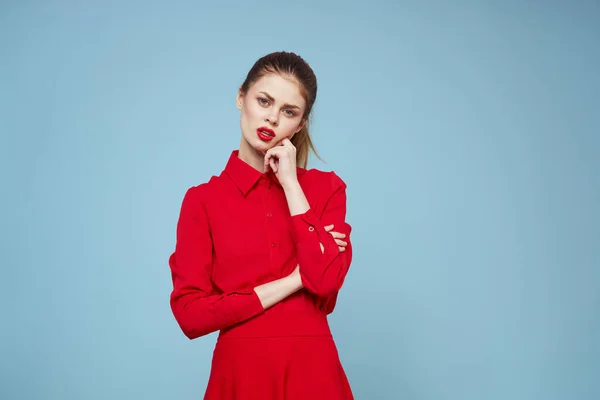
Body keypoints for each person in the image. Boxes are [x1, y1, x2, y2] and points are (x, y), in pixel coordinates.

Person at [168, 51, 354, 399]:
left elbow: (326, 282)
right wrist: (295, 280)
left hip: (313, 372)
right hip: (240, 373)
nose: (271, 117)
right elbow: (191, 315)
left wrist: (291, 185)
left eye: (289, 111)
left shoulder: (325, 189)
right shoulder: (202, 200)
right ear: (241, 98)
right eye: (264, 101)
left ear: (299, 125)